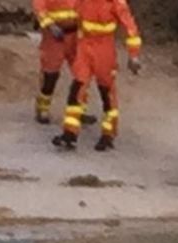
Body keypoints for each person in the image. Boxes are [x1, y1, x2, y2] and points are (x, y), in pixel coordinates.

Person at [51, 0, 142, 152]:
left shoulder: (116, 3)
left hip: (104, 49)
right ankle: (70, 133)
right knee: (77, 88)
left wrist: (134, 55)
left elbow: (130, 28)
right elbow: (73, 15)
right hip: (85, 46)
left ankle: (108, 133)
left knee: (106, 92)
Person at [32, 0, 80, 124]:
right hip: (54, 36)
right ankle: (43, 108)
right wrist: (51, 26)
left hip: (74, 34)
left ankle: (78, 108)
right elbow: (39, 8)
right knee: (50, 74)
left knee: (81, 73)